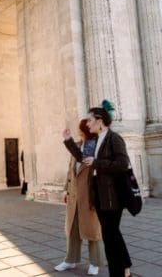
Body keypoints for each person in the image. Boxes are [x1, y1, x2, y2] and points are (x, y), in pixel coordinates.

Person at [80, 101, 132, 277]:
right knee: (111, 234)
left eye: (89, 120)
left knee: (110, 237)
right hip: (99, 195)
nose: (87, 124)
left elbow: (123, 163)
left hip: (112, 196)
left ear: (99, 120)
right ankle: (125, 269)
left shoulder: (114, 138)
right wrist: (68, 141)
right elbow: (83, 158)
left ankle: (119, 272)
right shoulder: (95, 140)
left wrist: (97, 163)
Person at [55, 119, 106, 275]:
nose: (78, 131)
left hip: (89, 195)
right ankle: (70, 260)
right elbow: (70, 170)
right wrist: (66, 190)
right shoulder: (77, 146)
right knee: (72, 229)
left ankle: (95, 262)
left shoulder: (95, 148)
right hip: (74, 195)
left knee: (93, 230)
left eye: (80, 128)